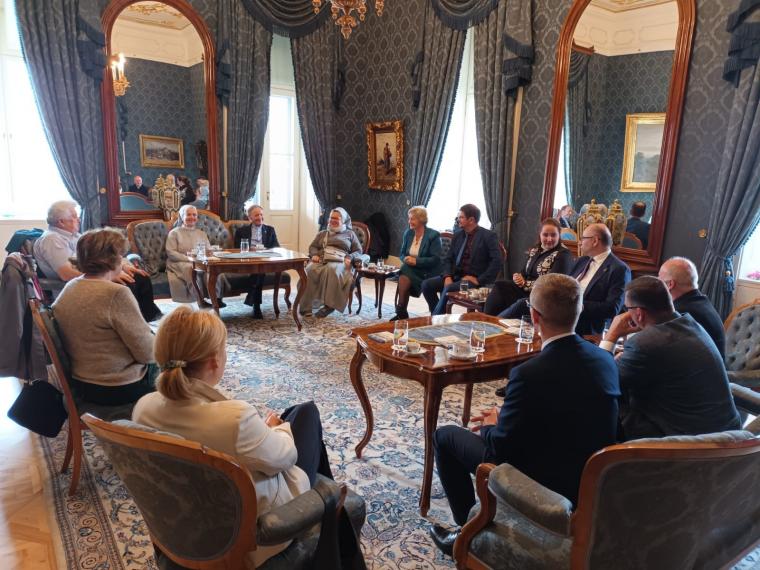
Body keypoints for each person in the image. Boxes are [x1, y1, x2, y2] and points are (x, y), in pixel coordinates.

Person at [429, 274, 620, 556]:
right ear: (578, 311)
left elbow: (501, 447)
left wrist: (492, 425)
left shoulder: (528, 374)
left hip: (542, 480)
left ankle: (466, 533)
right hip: (591, 474)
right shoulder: (605, 360)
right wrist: (508, 416)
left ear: (534, 316)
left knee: (444, 437)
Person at [132, 306, 334, 566]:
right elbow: (287, 458)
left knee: (295, 412)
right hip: (252, 534)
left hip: (186, 524)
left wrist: (263, 430)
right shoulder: (235, 419)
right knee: (306, 414)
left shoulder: (142, 409)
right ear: (214, 360)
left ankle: (330, 518)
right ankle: (327, 517)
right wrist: (276, 429)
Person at [602, 276, 740, 440]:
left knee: (603, 400)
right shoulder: (691, 324)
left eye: (627, 308)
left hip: (687, 441)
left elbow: (600, 379)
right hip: (728, 433)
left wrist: (611, 335)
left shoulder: (645, 343)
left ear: (639, 313)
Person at [53, 228, 157, 405]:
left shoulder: (70, 286)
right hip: (118, 387)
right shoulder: (116, 293)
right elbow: (147, 354)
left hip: (83, 384)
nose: (122, 260)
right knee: (182, 362)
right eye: (121, 256)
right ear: (112, 259)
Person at [33, 200, 161, 321]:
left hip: (95, 276)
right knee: (127, 285)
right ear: (61, 222)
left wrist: (124, 266)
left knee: (140, 277)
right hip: (77, 286)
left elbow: (103, 256)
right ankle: (131, 322)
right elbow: (66, 273)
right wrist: (108, 275)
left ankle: (149, 319)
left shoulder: (75, 236)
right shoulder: (51, 240)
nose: (78, 219)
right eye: (74, 216)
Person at [421, 204, 502, 316]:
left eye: (461, 217)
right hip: (455, 276)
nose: (457, 219)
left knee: (449, 288)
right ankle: (438, 315)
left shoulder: (488, 236)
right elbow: (448, 258)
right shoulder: (458, 235)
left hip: (474, 281)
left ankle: (435, 319)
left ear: (471, 220)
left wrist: (479, 280)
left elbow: (497, 261)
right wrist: (447, 276)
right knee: (426, 285)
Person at [484, 218, 573, 317]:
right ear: (540, 235)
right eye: (545, 235)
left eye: (553, 235)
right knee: (500, 285)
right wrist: (518, 277)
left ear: (559, 235)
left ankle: (491, 320)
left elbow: (553, 285)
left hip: (543, 297)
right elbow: (524, 273)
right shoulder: (536, 250)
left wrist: (525, 283)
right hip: (525, 291)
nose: (549, 239)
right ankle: (486, 319)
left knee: (515, 301)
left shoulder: (564, 254)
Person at [300, 207, 363, 318]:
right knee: (309, 270)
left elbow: (358, 251)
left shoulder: (350, 234)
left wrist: (350, 257)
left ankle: (329, 306)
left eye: (336, 218)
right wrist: (314, 255)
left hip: (340, 260)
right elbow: (313, 246)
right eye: (331, 218)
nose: (332, 220)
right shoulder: (322, 233)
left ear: (343, 220)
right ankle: (306, 306)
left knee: (332, 270)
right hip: (322, 258)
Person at [658, 256, 725, 358]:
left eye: (659, 278)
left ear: (670, 284)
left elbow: (661, 348)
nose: (657, 282)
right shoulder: (702, 302)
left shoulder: (683, 313)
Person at [570, 223, 630, 335]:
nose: (579, 242)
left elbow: (612, 308)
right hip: (565, 321)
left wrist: (575, 305)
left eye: (583, 238)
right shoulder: (582, 261)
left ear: (595, 241)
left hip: (589, 329)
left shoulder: (619, 269)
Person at [233, 204, 290, 319]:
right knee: (259, 271)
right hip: (248, 260)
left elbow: (277, 247)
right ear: (250, 218)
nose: (260, 217)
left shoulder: (269, 230)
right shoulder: (241, 231)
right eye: (256, 215)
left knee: (260, 271)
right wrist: (250, 249)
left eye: (261, 214)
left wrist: (266, 250)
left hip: (265, 261)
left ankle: (254, 302)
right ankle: (256, 306)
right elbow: (237, 248)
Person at [165, 205, 226, 306]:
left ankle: (216, 298)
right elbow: (171, 253)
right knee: (191, 269)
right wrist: (190, 259)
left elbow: (208, 250)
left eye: (194, 215)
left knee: (212, 269)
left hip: (200, 261)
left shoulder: (201, 233)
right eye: (188, 214)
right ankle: (200, 300)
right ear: (182, 216)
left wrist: (211, 252)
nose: (192, 217)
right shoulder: (174, 233)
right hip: (179, 262)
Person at [390, 206, 442, 321]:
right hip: (410, 268)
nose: (409, 221)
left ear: (421, 219)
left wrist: (417, 261)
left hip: (427, 270)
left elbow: (436, 259)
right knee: (404, 271)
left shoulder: (433, 235)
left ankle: (401, 312)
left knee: (404, 271)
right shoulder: (408, 233)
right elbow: (402, 253)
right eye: (409, 219)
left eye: (412, 219)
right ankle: (401, 311)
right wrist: (405, 259)